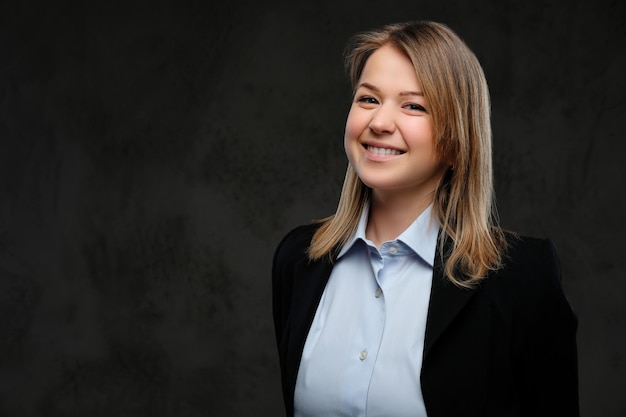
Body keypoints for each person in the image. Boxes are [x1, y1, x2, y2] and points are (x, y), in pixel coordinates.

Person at [272, 20, 579, 417]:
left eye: (413, 105)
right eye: (368, 99)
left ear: (457, 137)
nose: (379, 123)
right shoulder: (299, 260)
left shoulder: (523, 279)